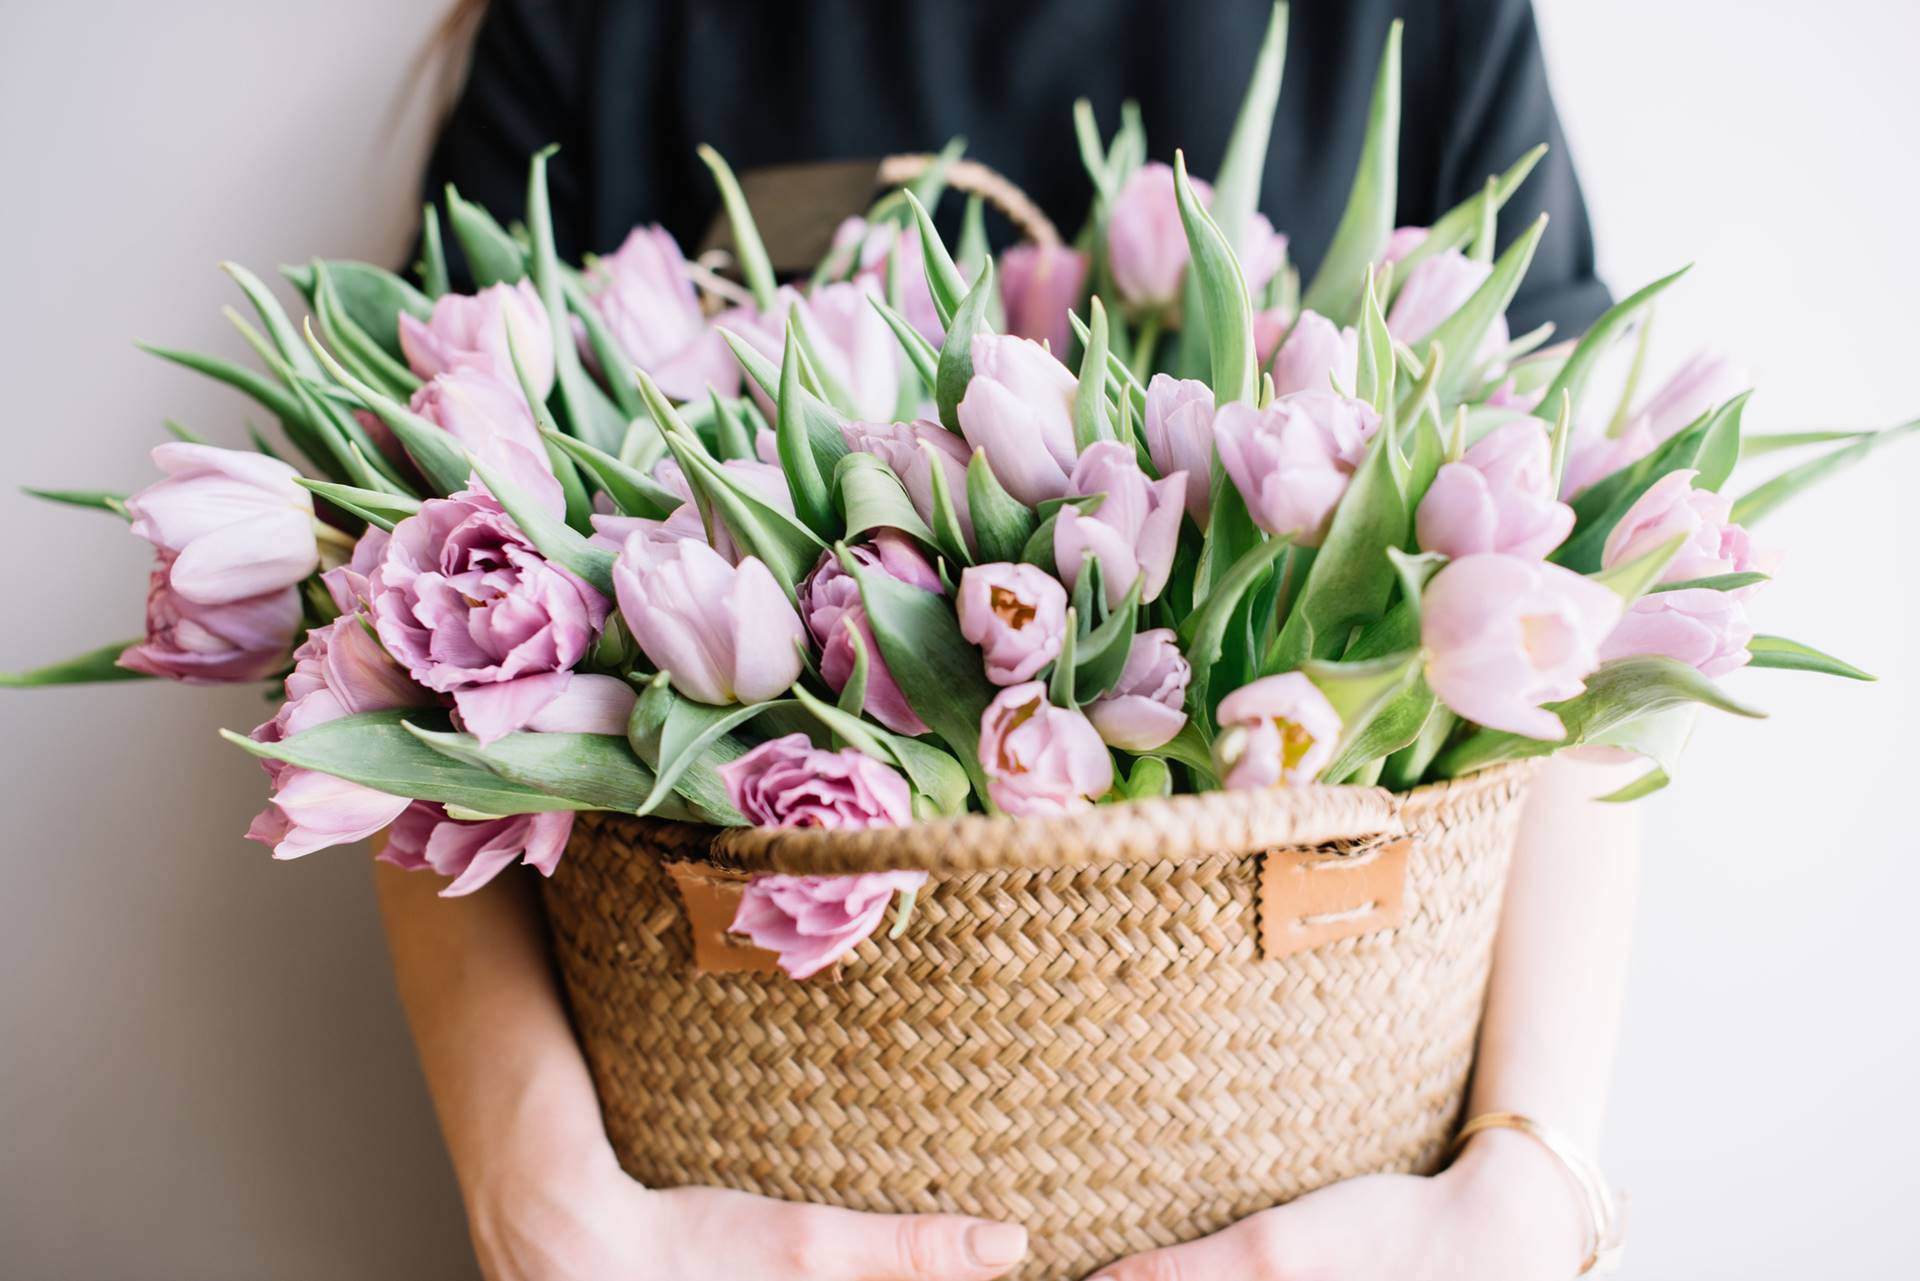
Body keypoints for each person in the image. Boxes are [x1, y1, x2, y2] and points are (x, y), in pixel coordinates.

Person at [381, 2, 1639, 1277]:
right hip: (727, 1182)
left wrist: (1530, 1185)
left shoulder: (1416, 18)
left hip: (1332, 1191)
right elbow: (403, 622)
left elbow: (1580, 574)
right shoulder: (603, 22)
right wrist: (539, 1201)